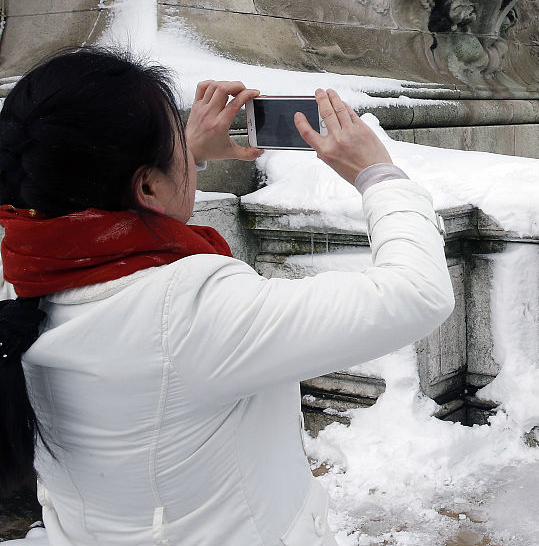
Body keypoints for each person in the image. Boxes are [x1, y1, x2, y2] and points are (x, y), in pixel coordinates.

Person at [0, 48, 454, 545]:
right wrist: (378, 174)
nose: (184, 144)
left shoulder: (23, 273)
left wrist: (182, 159)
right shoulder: (191, 313)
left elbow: (106, 231)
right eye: (175, 137)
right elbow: (415, 293)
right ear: (146, 187)